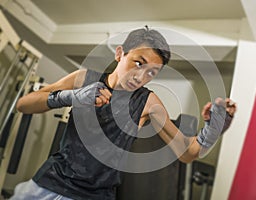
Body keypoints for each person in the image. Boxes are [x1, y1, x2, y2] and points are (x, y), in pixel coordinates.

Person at [11, 26, 236, 200]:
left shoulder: (147, 102)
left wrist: (214, 128)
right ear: (120, 54)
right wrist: (69, 96)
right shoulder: (84, 78)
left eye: (151, 72)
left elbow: (187, 152)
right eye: (138, 63)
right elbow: (24, 104)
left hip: (94, 196)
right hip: (46, 184)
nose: (141, 76)